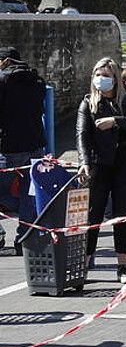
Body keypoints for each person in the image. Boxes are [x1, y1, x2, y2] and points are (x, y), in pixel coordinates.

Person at [76, 57, 126, 284]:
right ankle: (84, 264)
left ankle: (123, 266)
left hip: (124, 163)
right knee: (93, 214)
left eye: (106, 75)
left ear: (115, 79)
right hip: (98, 164)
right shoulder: (88, 103)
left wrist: (116, 120)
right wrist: (84, 162)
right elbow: (82, 136)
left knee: (122, 214)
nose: (101, 79)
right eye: (98, 74)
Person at [0, 46, 49, 241]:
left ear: (4, 61)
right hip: (36, 145)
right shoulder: (36, 80)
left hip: (9, 146)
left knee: (4, 190)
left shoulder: (2, 81)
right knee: (29, 193)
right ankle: (25, 238)